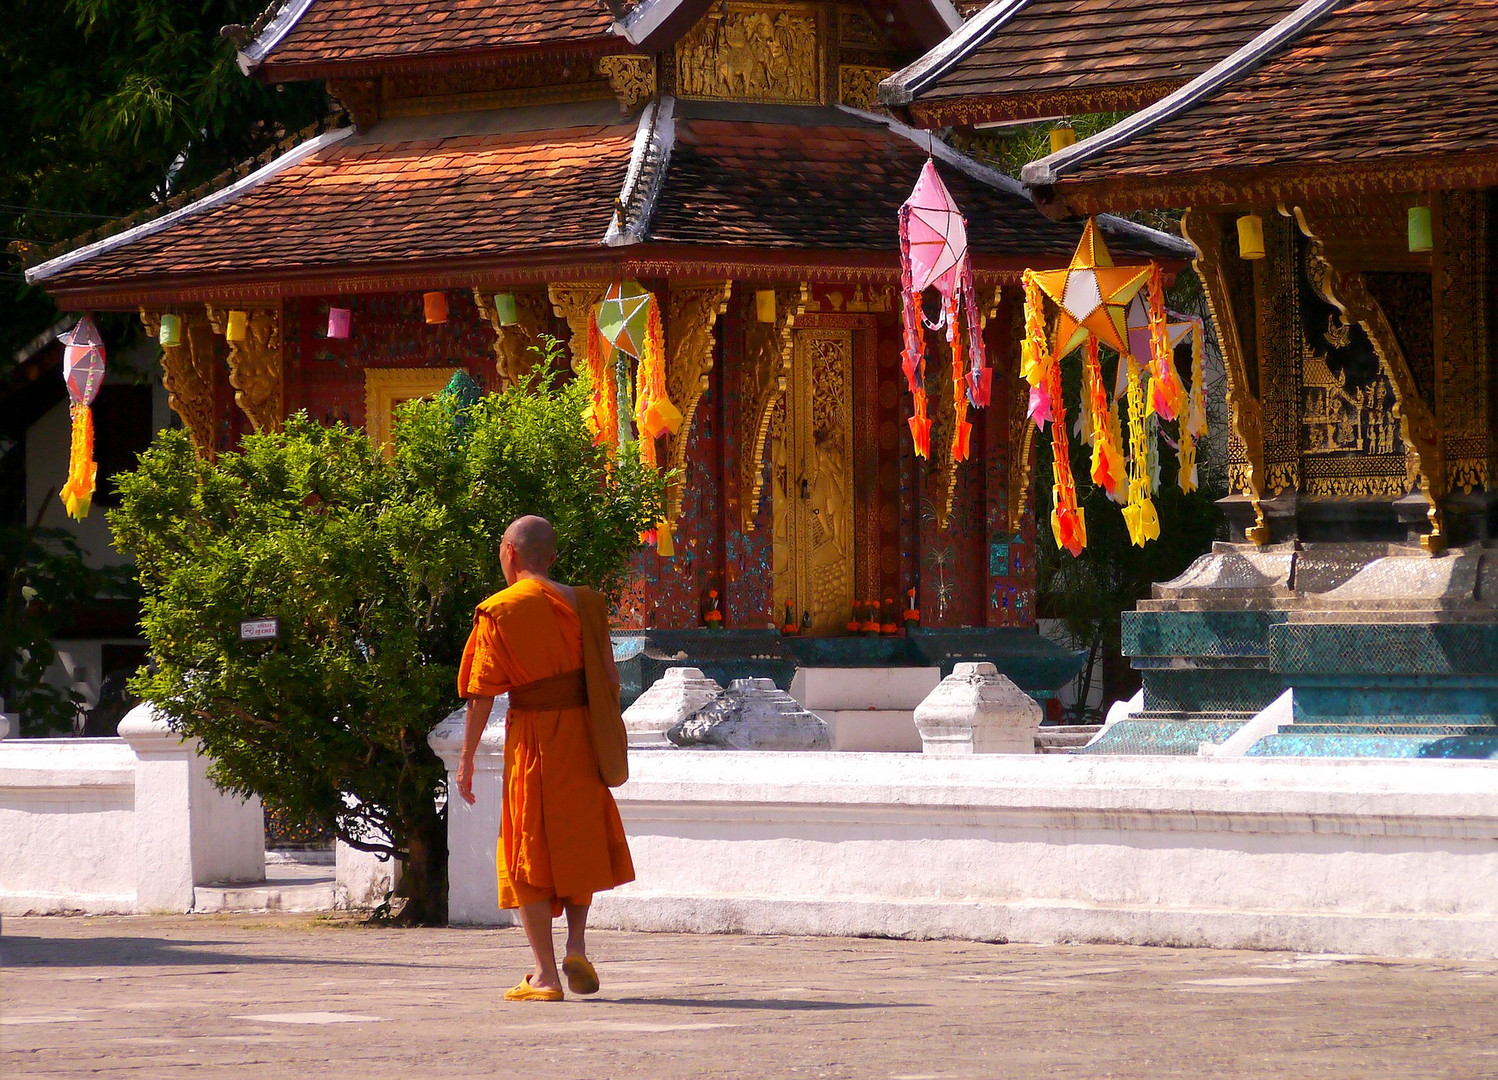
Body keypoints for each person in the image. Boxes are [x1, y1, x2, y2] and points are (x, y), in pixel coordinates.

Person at [455, 515, 634, 1002]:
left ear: (508, 553)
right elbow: (609, 679)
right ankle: (576, 943)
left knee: (526, 848)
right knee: (579, 839)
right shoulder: (589, 603)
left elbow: (481, 694)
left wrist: (467, 758)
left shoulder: (500, 610)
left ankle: (545, 975)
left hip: (535, 736)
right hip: (583, 734)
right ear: (551, 557)